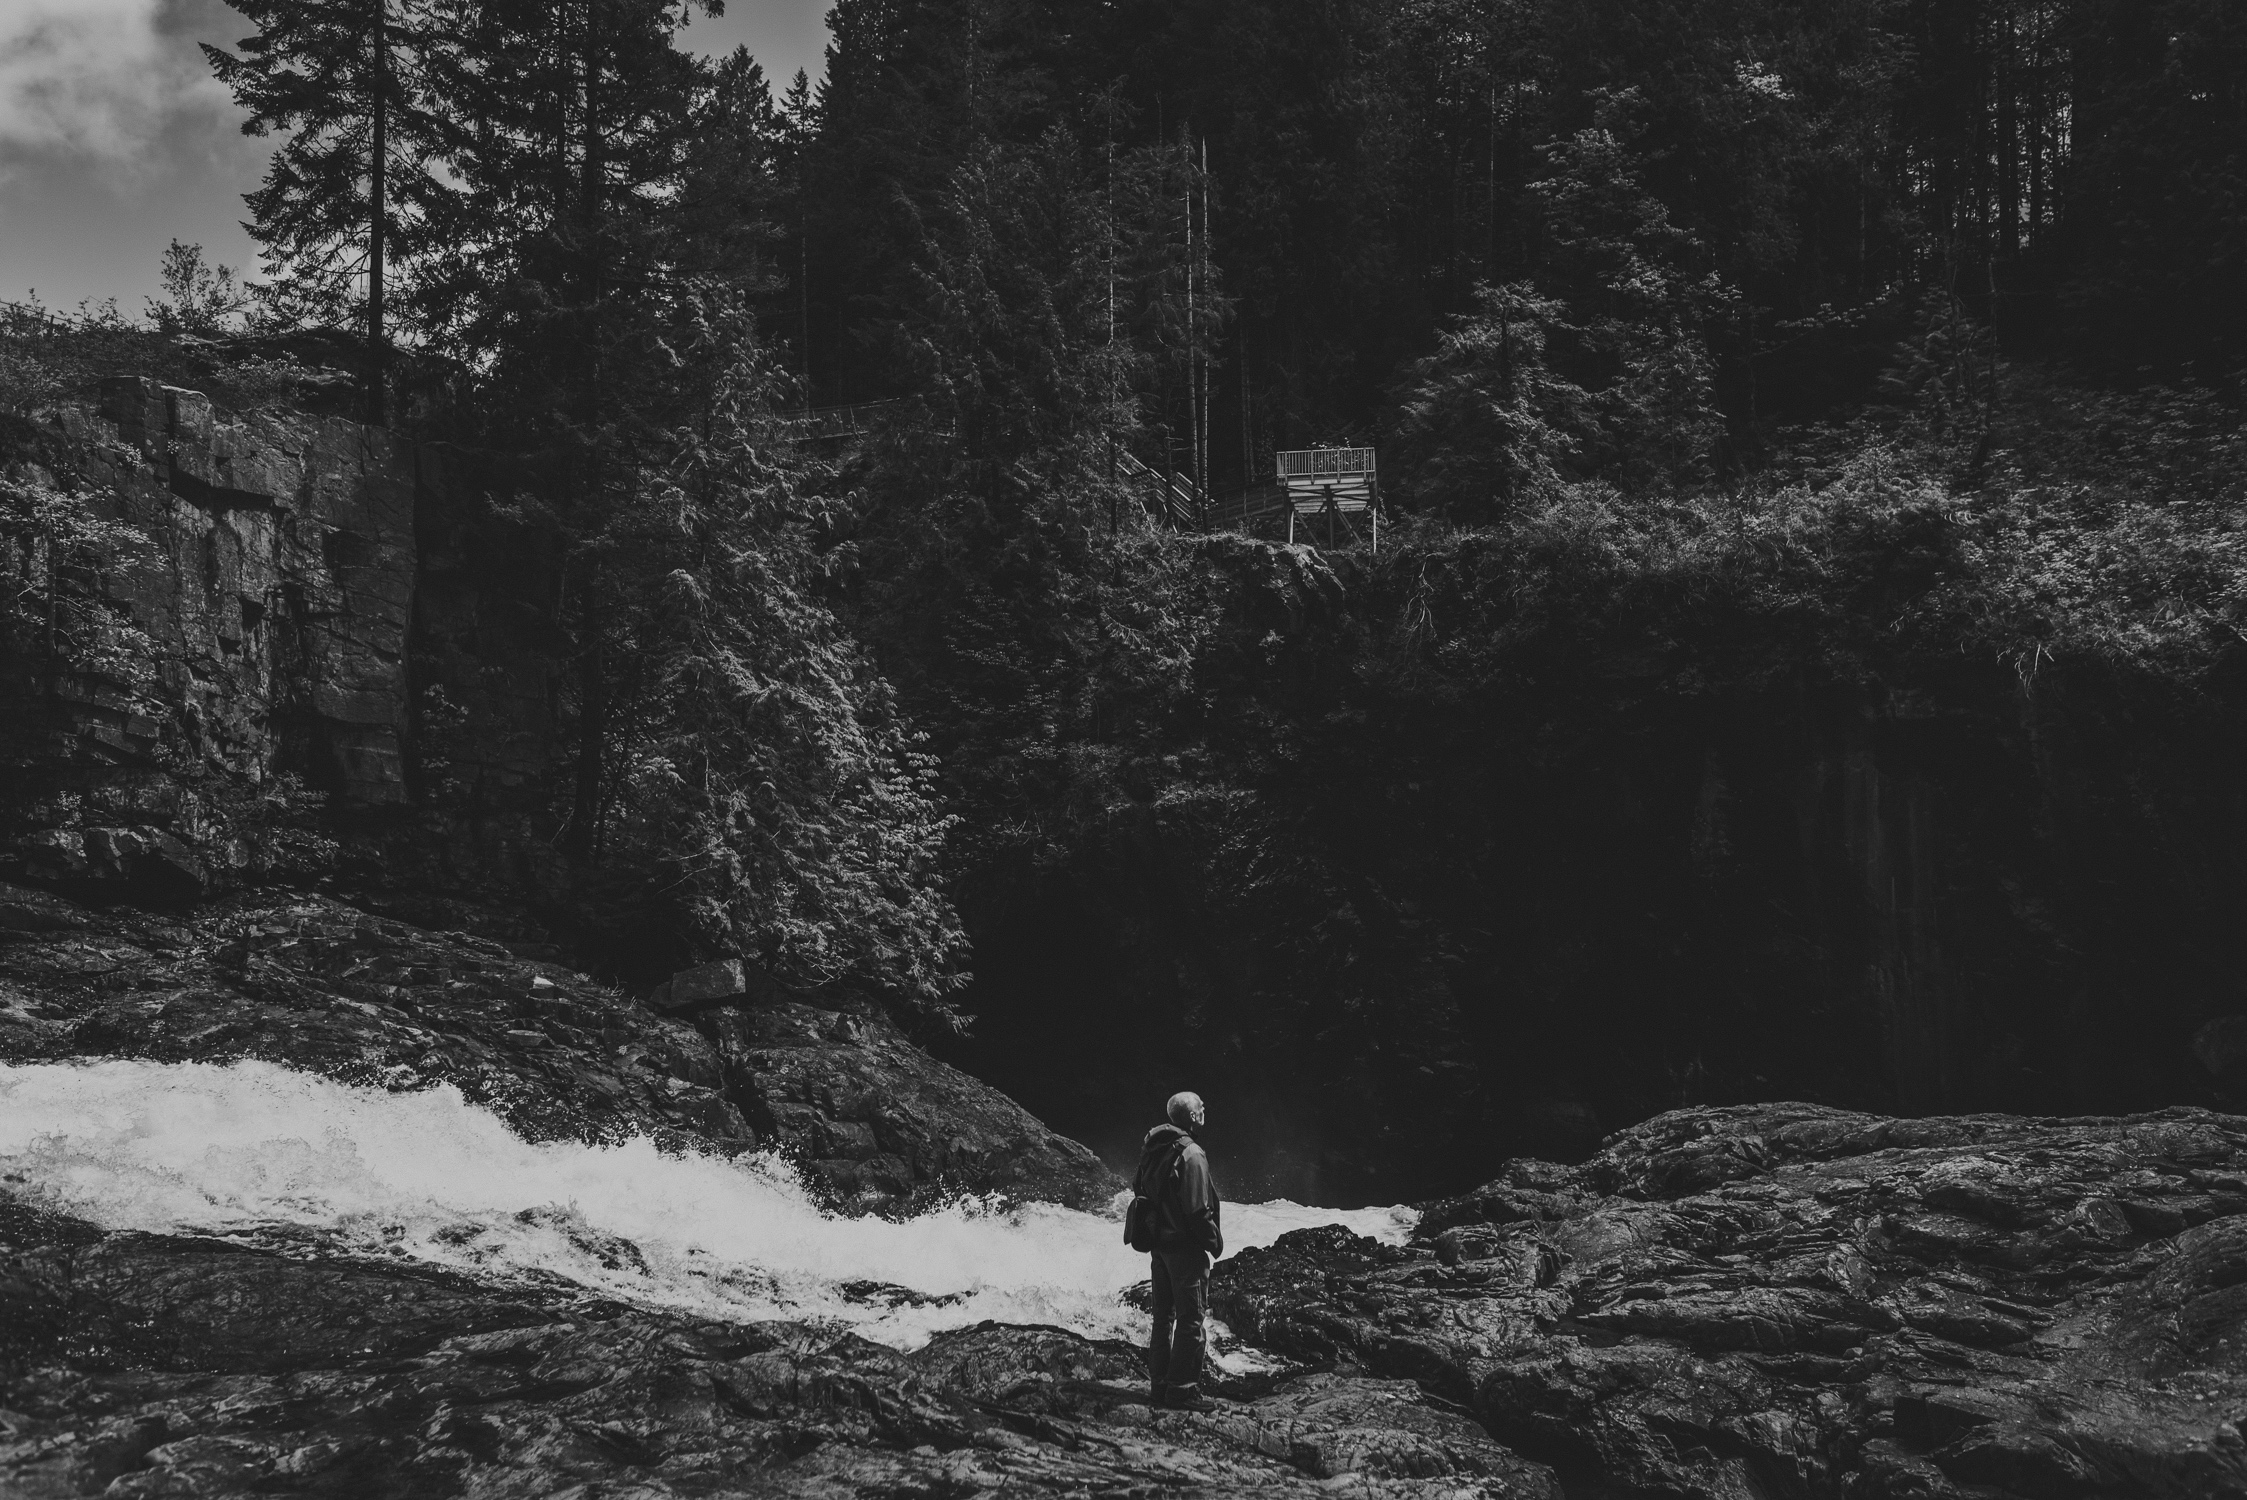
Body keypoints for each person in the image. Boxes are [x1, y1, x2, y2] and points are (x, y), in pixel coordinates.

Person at [1135, 1089, 1223, 1410]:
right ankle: (1182, 1391)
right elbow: (1198, 1211)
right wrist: (1215, 1243)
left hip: (1160, 1249)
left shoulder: (1154, 1147)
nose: (1204, 1109)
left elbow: (1139, 1189)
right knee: (1190, 1320)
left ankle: (1159, 1387)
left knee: (1162, 1317)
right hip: (1185, 1251)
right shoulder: (1192, 1154)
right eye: (1201, 1106)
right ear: (1193, 1116)